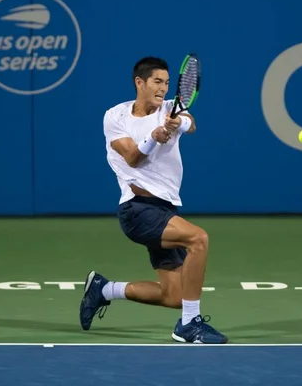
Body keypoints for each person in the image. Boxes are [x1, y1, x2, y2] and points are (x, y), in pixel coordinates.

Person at [78, 56, 228, 344]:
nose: (163, 88)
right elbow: (133, 158)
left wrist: (178, 125)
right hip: (137, 210)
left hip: (164, 208)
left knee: (174, 296)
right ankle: (190, 325)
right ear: (140, 82)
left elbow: (190, 122)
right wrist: (153, 136)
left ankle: (104, 289)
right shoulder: (115, 116)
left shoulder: (171, 109)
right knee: (198, 239)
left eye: (168, 83)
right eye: (157, 82)